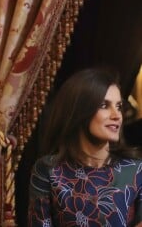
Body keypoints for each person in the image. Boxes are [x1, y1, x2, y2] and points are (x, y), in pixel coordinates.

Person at [28, 68, 142, 226]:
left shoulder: (136, 171)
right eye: (104, 105)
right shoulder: (48, 170)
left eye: (119, 106)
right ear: (81, 110)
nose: (117, 115)